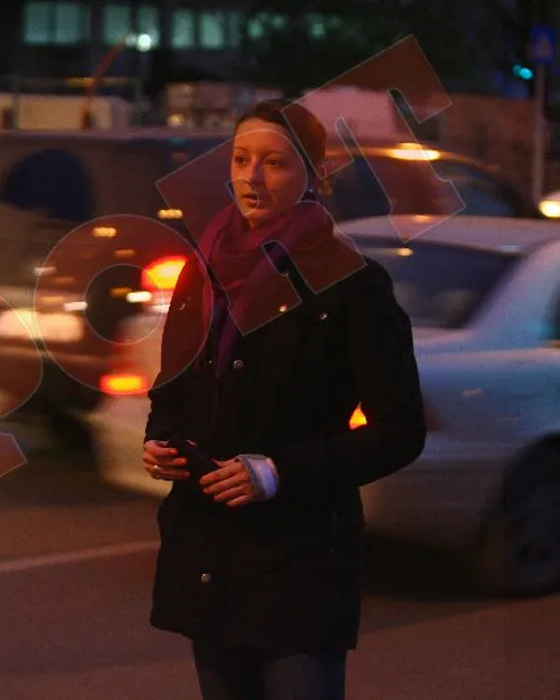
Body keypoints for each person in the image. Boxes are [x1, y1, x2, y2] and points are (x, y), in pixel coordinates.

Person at [141, 99, 427, 700]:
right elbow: (173, 385)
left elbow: (400, 430)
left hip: (299, 558)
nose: (252, 177)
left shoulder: (351, 283)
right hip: (208, 549)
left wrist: (278, 472)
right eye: (241, 159)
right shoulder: (202, 269)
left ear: (314, 175)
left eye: (273, 162)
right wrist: (161, 440)